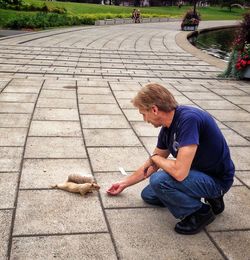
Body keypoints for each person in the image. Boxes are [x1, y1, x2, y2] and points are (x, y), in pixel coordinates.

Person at [107, 83, 235, 235]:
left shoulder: (189, 120)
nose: (144, 119)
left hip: (217, 180)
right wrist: (123, 183)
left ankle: (200, 213)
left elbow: (179, 172)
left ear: (154, 109)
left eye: (143, 114)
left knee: (159, 181)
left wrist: (156, 158)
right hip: (196, 174)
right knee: (148, 194)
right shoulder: (167, 127)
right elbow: (152, 164)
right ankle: (210, 198)